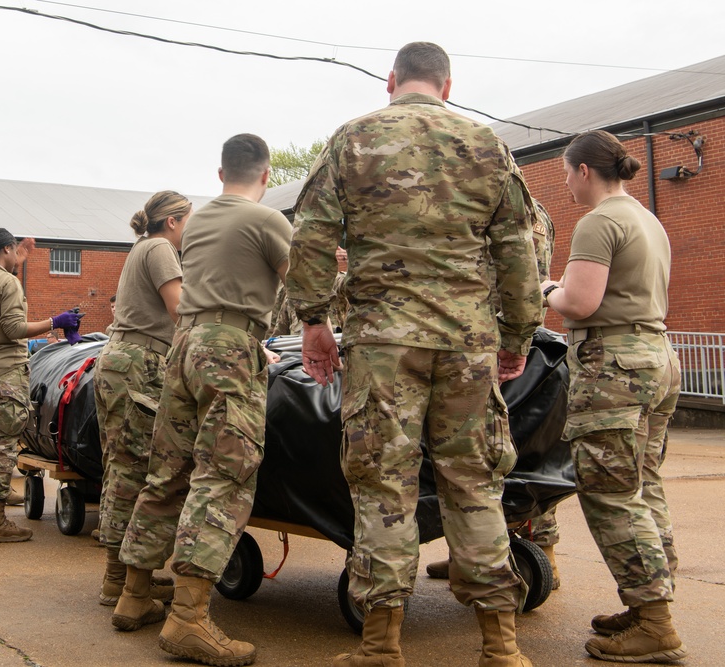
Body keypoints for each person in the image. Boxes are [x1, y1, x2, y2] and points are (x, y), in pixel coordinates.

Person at [287, 42, 541, 666]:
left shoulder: (353, 139)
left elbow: (312, 232)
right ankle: (501, 647)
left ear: (392, 81)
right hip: (467, 341)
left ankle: (381, 646)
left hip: (382, 342)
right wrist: (518, 335)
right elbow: (519, 246)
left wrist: (315, 319)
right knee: (475, 481)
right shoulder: (486, 144)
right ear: (448, 85)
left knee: (382, 485)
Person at [116, 134, 291, 666]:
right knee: (225, 473)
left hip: (185, 347)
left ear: (220, 175)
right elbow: (306, 286)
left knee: (167, 469)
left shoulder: (198, 223)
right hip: (229, 348)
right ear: (266, 176)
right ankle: (189, 619)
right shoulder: (267, 220)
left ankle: (134, 594)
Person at [540, 130, 686, 663]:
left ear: (584, 171)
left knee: (610, 492)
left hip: (615, 369)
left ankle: (656, 624)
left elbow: (579, 301)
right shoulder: (646, 217)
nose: (564, 183)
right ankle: (652, 602)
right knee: (642, 485)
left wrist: (545, 289)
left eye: (564, 172)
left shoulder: (599, 220)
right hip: (656, 357)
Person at [427, 199, 563, 589]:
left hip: (489, 344)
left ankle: (530, 554)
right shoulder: (539, 211)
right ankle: (472, 554)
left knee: (493, 451)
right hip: (520, 341)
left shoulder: (489, 202)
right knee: (514, 448)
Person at [94, 191, 192, 609]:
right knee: (136, 471)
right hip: (141, 364)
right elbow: (180, 309)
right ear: (172, 221)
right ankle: (119, 581)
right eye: (189, 220)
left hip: (122, 362)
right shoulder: (160, 248)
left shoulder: (142, 247)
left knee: (122, 466)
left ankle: (125, 576)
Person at [0, 227, 82, 544]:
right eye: (14, 252)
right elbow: (14, 328)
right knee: (1, 446)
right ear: (5, 249)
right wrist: (56, 322)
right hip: (5, 371)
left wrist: (20, 259)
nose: (17, 257)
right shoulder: (7, 282)